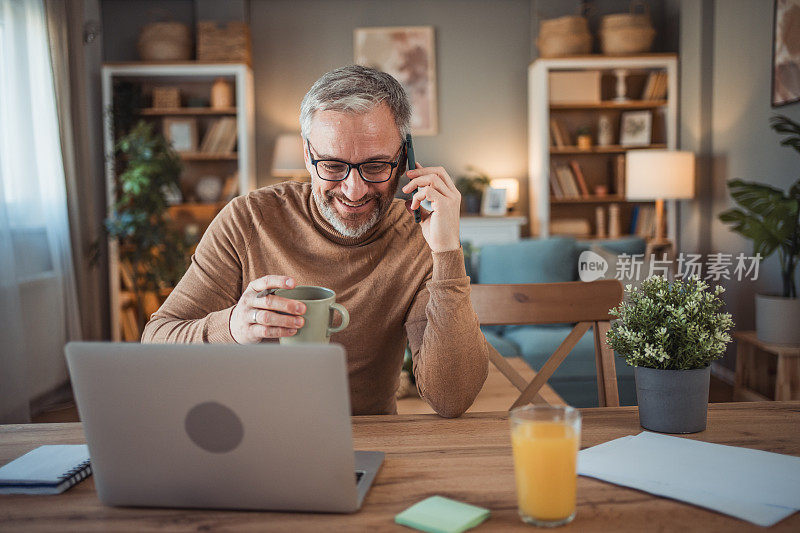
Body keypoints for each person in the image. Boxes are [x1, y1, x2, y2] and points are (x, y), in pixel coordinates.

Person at [142, 65, 489, 417]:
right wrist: (232, 326)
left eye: (376, 166)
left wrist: (447, 252)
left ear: (404, 160)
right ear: (307, 155)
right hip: (253, 437)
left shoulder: (419, 237)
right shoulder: (247, 220)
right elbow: (156, 344)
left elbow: (452, 398)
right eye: (333, 166)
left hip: (372, 439)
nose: (354, 190)